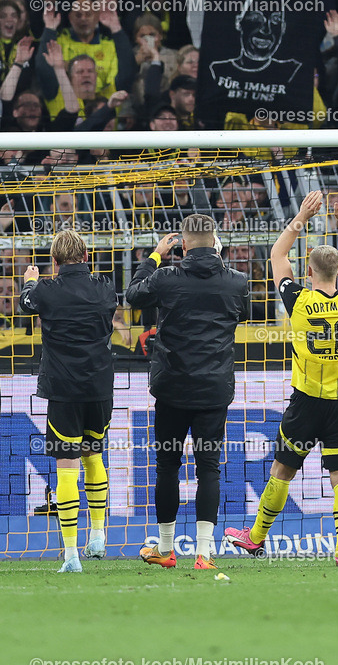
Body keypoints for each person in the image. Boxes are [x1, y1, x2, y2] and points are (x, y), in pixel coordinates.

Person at [225, 190, 338, 566]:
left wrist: (302, 216)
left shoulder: (299, 301)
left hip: (306, 401)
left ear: (308, 273)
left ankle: (256, 538)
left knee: (282, 470)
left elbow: (277, 255)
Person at [125, 214, 249, 571]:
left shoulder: (166, 277)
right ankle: (204, 554)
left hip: (173, 390)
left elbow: (133, 295)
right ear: (215, 240)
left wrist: (154, 256)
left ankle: (165, 549)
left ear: (183, 242)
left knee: (168, 465)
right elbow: (243, 314)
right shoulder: (236, 281)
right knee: (208, 468)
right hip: (213, 390)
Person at [18, 230, 117, 573]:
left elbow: (26, 303)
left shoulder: (46, 290)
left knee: (67, 467)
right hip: (100, 388)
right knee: (94, 455)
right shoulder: (105, 287)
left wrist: (30, 281)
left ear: (54, 261)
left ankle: (72, 554)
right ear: (87, 257)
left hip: (64, 391)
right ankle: (99, 534)